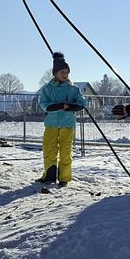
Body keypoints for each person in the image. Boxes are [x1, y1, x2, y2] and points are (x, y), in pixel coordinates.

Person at [38, 51, 87, 187]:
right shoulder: (48, 89)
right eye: (62, 72)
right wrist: (60, 106)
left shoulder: (73, 89)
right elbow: (44, 105)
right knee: (49, 149)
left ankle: (64, 177)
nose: (65, 75)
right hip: (51, 124)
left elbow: (82, 103)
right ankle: (49, 176)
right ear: (55, 73)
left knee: (66, 151)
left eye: (67, 72)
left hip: (67, 124)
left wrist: (71, 107)